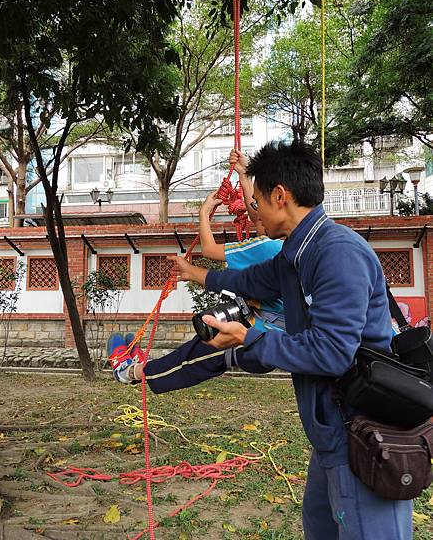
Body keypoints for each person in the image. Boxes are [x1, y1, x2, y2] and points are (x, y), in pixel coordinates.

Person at [169, 142, 412, 540]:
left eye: (258, 200)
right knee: (320, 525)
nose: (255, 211)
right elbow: (251, 280)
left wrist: (249, 336)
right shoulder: (298, 252)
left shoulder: (337, 253)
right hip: (332, 431)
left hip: (364, 433)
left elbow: (331, 353)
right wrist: (197, 274)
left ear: (280, 196)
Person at [107, 148, 285, 393]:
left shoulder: (266, 246)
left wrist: (203, 213)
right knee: (195, 349)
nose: (253, 209)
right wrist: (244, 175)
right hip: (269, 333)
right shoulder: (294, 244)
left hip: (259, 340)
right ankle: (138, 368)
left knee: (193, 357)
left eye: (258, 201)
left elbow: (211, 249)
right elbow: (258, 219)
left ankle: (129, 372)